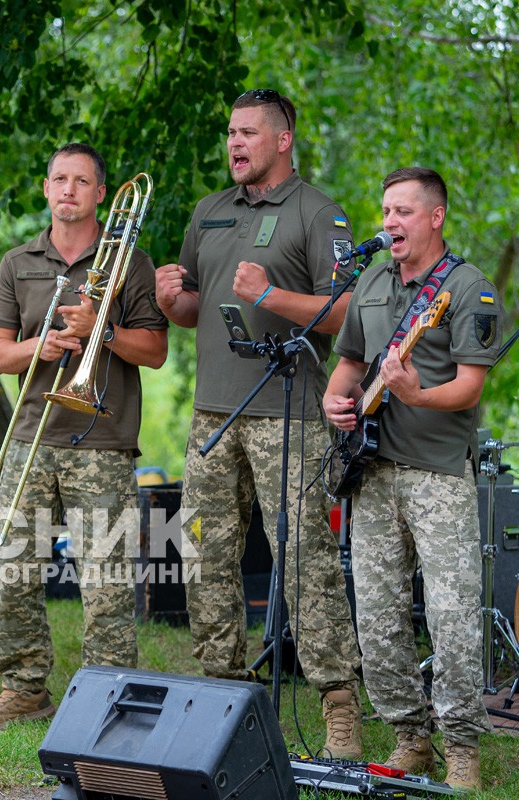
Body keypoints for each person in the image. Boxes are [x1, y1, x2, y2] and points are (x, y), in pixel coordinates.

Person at [154, 89, 364, 757]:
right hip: (214, 412)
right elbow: (195, 307)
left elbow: (351, 313)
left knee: (302, 560)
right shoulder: (209, 212)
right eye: (230, 133)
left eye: (248, 133)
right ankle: (222, 692)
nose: (235, 144)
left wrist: (271, 295)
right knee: (203, 551)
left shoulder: (318, 213)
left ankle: (338, 706)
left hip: (291, 414)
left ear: (283, 140)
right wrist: (172, 300)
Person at [0, 143, 168, 730]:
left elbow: (155, 351)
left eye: (82, 181)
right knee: (15, 571)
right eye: (59, 179)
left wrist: (100, 332)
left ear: (101, 193)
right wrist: (45, 346)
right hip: (32, 434)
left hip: (102, 439)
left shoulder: (132, 263)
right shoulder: (16, 263)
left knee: (104, 581)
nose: (69, 191)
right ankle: (24, 687)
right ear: (47, 187)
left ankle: (108, 697)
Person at [324, 167, 499, 791]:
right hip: (369, 472)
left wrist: (417, 393)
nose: (389, 223)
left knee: (451, 619)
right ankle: (409, 737)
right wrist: (335, 401)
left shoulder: (468, 288)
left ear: (435, 217)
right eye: (385, 210)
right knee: (376, 616)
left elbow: (470, 386)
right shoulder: (370, 279)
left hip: (438, 477)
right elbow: (347, 361)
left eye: (403, 212)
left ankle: (461, 750)